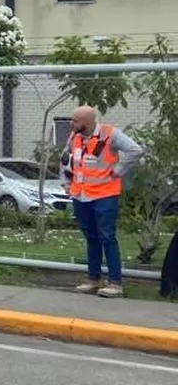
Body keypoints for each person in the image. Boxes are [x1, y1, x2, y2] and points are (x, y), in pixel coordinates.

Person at [60, 105, 144, 298]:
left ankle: (115, 283)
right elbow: (66, 160)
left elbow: (135, 150)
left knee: (107, 236)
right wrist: (66, 183)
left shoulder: (110, 134)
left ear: (87, 122)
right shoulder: (75, 137)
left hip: (104, 195)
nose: (71, 124)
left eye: (75, 120)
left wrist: (118, 170)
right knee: (91, 237)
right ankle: (93, 279)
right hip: (81, 194)